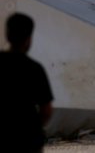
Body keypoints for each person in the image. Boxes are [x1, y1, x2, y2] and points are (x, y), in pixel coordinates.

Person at [0, 13, 54, 152]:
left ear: (7, 34)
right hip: (27, 141)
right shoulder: (34, 68)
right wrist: (33, 127)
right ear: (28, 39)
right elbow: (46, 110)